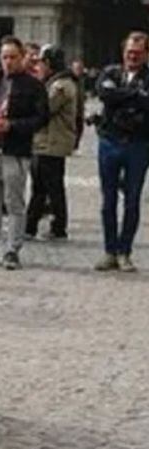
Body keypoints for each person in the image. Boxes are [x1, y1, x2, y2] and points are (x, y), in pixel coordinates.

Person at [0, 36, 48, 271]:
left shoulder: (33, 85)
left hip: (14, 152)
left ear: (23, 57)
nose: (8, 62)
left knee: (14, 204)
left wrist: (12, 125)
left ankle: (12, 249)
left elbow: (42, 118)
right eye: (4, 57)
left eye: (13, 57)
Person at [93, 32, 149, 272]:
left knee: (132, 200)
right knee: (108, 201)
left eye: (137, 52)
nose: (132, 56)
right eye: (129, 52)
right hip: (110, 141)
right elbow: (104, 94)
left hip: (139, 144)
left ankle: (125, 251)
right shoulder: (110, 72)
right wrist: (136, 95)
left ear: (146, 54)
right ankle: (109, 250)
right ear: (123, 52)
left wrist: (120, 97)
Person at [26, 46, 78, 242]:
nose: (38, 66)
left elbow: (44, 109)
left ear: (48, 63)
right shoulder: (54, 82)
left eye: (40, 62)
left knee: (51, 186)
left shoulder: (61, 85)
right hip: (45, 141)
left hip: (52, 143)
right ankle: (30, 226)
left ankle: (57, 227)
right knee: (41, 186)